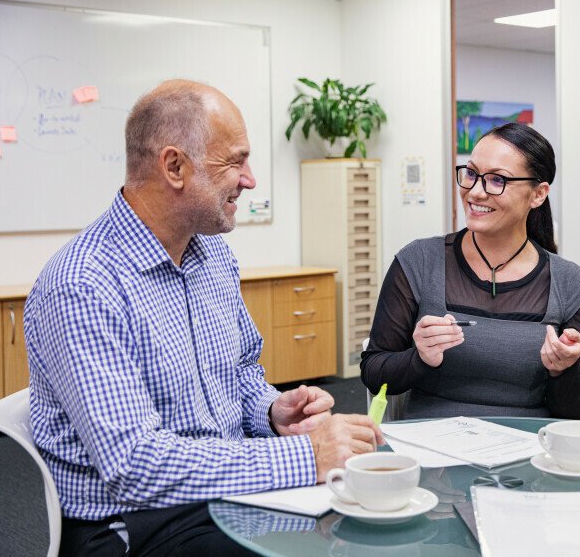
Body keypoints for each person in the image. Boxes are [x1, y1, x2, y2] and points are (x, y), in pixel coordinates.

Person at [24, 80, 383, 556]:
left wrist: (272, 413)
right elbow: (136, 468)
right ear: (174, 166)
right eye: (236, 160)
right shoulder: (82, 286)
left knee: (366, 526)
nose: (250, 179)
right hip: (131, 524)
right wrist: (306, 455)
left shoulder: (213, 256)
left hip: (224, 492)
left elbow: (240, 374)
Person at [360, 123, 580, 419]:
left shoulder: (573, 286)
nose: (475, 192)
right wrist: (418, 357)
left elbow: (577, 412)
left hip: (526, 449)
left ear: (538, 194)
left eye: (497, 180)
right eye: (471, 174)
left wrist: (563, 371)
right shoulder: (418, 262)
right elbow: (373, 372)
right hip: (433, 447)